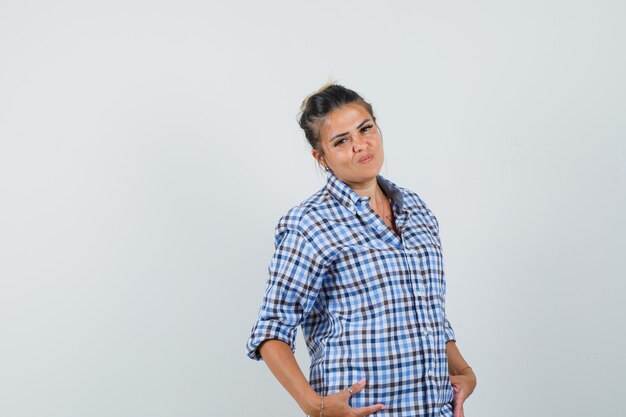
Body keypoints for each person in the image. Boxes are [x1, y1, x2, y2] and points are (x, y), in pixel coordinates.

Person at [246, 84, 476, 417]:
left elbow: (429, 314)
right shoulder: (309, 223)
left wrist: (464, 373)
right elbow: (272, 329)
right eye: (341, 141)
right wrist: (315, 406)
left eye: (365, 129)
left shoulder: (416, 209)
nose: (360, 145)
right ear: (321, 158)